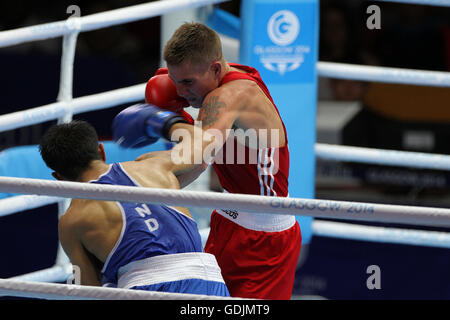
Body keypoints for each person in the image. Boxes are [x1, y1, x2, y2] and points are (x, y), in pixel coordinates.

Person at [120, 22, 302, 299]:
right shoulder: (213, 89)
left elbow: (196, 155)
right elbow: (199, 164)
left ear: (216, 68)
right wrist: (137, 193)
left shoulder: (229, 96)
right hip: (226, 218)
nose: (180, 92)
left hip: (264, 239)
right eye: (175, 81)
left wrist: (165, 123)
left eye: (187, 82)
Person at [39, 119, 229, 297]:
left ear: (58, 177)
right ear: (101, 151)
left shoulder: (71, 221)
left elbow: (89, 289)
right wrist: (164, 121)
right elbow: (205, 142)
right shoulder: (153, 166)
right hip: (207, 280)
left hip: (143, 290)